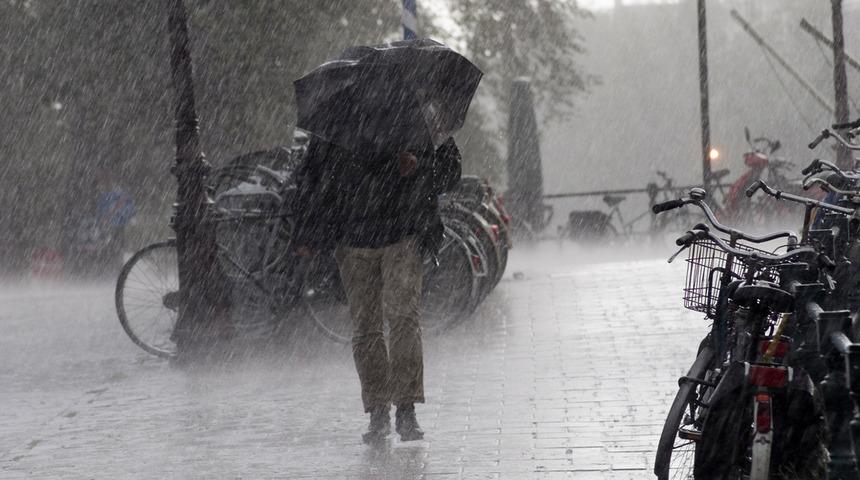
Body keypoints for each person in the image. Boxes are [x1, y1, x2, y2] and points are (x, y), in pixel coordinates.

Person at [293, 135, 462, 443]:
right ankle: (379, 411)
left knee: (402, 319)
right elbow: (313, 177)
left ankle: (406, 409)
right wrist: (306, 232)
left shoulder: (414, 115)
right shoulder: (338, 122)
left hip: (403, 233)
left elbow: (449, 173)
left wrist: (418, 165)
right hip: (353, 237)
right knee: (367, 326)